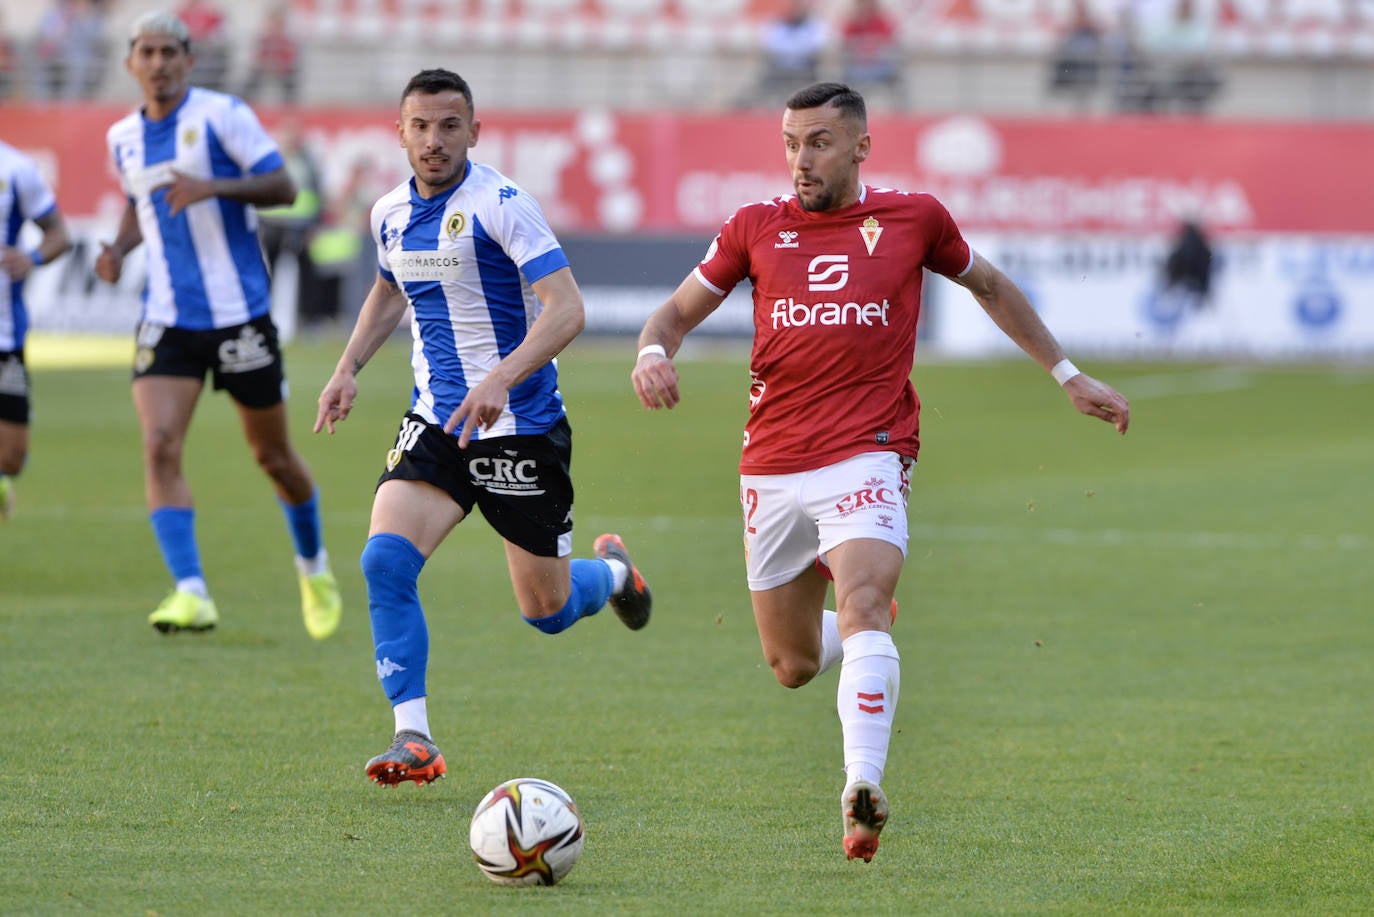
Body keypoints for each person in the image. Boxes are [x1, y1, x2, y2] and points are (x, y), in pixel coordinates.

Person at [630, 82, 1130, 863]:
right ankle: (866, 642)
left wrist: (1068, 374)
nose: (802, 159)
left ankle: (861, 786)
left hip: (870, 449)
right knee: (791, 663)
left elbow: (991, 286)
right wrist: (653, 352)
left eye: (820, 142)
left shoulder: (914, 220)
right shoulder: (754, 228)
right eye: (792, 142)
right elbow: (672, 315)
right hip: (770, 465)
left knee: (864, 597)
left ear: (861, 147)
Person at [313, 68, 653, 788]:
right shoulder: (387, 214)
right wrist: (347, 367)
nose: (434, 141)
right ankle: (415, 736)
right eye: (420, 127)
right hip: (437, 423)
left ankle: (617, 574)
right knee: (384, 562)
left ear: (474, 130)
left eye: (448, 126)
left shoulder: (502, 205)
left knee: (547, 610)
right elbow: (386, 289)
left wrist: (500, 378)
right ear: (399, 132)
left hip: (520, 427)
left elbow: (566, 309)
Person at [94, 12, 341, 640]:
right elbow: (138, 201)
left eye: (168, 51)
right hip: (168, 318)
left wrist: (214, 188)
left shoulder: (221, 116)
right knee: (159, 445)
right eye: (145, 52)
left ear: (188, 59)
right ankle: (191, 591)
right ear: (130, 63)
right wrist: (119, 250)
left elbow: (284, 186)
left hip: (239, 318)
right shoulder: (123, 136)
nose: (157, 63)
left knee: (274, 457)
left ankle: (313, 569)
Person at [0, 140, 73, 518]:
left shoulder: (16, 169)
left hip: (5, 332)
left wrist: (31, 257)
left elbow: (60, 235)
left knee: (11, 458)